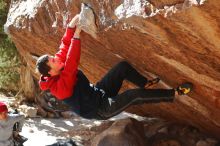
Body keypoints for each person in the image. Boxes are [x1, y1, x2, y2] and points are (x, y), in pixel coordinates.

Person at [36, 14, 193, 120]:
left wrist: (72, 25)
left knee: (122, 67)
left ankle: (144, 83)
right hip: (99, 109)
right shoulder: (60, 88)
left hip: (98, 93)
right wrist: (77, 34)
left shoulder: (56, 67)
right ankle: (175, 93)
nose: (56, 58)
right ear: (50, 72)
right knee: (134, 95)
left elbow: (64, 47)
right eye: (53, 61)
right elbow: (71, 63)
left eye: (53, 57)